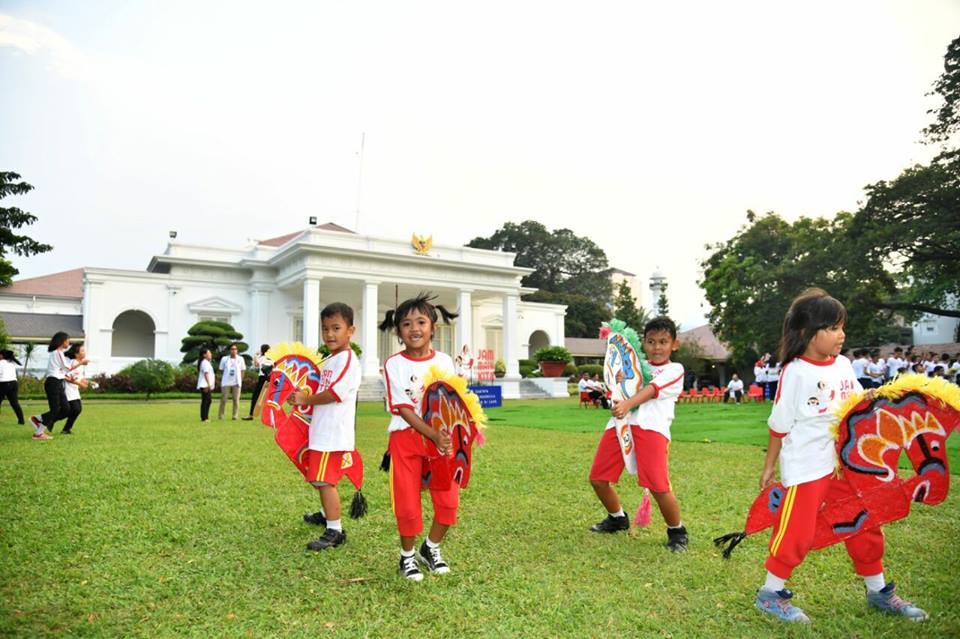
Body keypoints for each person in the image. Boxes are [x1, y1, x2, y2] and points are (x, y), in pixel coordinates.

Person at [755, 288, 926, 623]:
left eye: (841, 327)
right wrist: (769, 466)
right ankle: (770, 594)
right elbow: (779, 425)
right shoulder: (796, 372)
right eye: (832, 328)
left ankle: (878, 591)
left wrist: (876, 397)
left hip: (846, 464)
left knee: (863, 521)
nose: (841, 334)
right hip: (807, 465)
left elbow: (856, 404)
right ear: (806, 333)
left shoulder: (845, 364)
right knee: (797, 530)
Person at [379, 292, 460, 582]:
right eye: (406, 323)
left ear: (433, 328)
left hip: (441, 440)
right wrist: (431, 434)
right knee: (408, 503)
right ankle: (407, 557)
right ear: (398, 331)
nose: (414, 328)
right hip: (406, 439)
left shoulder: (445, 361)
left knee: (448, 502)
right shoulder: (394, 364)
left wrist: (451, 436)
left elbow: (454, 400)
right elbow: (401, 408)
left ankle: (431, 548)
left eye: (421, 322)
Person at [591, 317, 688, 552]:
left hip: (652, 430)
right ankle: (617, 518)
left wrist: (627, 403)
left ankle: (677, 531)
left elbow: (652, 389)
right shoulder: (632, 366)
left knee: (658, 485)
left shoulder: (675, 369)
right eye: (651, 341)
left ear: (674, 344)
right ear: (643, 343)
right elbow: (619, 385)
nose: (657, 347)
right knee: (598, 478)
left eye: (663, 342)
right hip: (619, 424)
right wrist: (615, 386)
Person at [291, 303, 362, 551]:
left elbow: (335, 393)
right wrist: (303, 395)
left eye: (336, 328)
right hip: (322, 430)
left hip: (332, 433)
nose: (330, 334)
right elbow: (321, 389)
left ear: (351, 330)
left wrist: (306, 400)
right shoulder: (332, 360)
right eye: (325, 329)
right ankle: (325, 513)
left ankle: (335, 530)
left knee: (323, 480)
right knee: (318, 476)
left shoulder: (347, 359)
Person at [30, 332, 85, 440]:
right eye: (67, 340)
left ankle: (38, 418)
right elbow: (67, 367)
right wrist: (81, 363)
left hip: (58, 382)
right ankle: (38, 433)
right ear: (62, 341)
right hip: (53, 383)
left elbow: (61, 370)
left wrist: (69, 376)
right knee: (55, 409)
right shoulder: (57, 353)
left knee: (65, 409)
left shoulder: (59, 353)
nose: (68, 343)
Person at [62, 344, 92, 434]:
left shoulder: (81, 364)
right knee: (73, 410)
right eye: (82, 351)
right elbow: (65, 376)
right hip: (68, 389)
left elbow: (79, 377)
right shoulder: (74, 363)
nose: (84, 352)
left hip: (74, 390)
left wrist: (89, 382)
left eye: (84, 350)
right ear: (76, 354)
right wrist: (80, 384)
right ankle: (49, 421)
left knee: (77, 410)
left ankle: (66, 429)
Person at [243, 344, 273, 421]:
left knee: (255, 397)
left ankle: (251, 414)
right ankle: (270, 416)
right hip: (271, 378)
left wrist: (256, 355)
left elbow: (256, 365)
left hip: (262, 378)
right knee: (269, 398)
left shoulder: (262, 358)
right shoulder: (272, 358)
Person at [218, 343, 246, 420]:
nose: (234, 351)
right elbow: (221, 370)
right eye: (232, 349)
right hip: (226, 382)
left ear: (237, 351)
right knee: (223, 399)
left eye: (235, 349)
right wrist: (225, 377)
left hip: (236, 382)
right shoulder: (224, 359)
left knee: (236, 400)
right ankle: (221, 416)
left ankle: (235, 416)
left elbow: (243, 370)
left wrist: (241, 379)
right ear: (229, 350)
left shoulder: (240, 359)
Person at [0, 349, 25, 425]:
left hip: (3, 384)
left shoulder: (1, 363)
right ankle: (21, 421)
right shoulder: (12, 363)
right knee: (15, 403)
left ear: (2, 355)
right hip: (14, 383)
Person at [196, 348, 215, 423]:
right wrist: (208, 384)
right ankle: (204, 417)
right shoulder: (205, 363)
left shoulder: (206, 362)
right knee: (206, 401)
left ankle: (204, 417)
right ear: (204, 355)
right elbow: (206, 374)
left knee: (208, 400)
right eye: (209, 353)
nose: (211, 354)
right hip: (205, 384)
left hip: (206, 384)